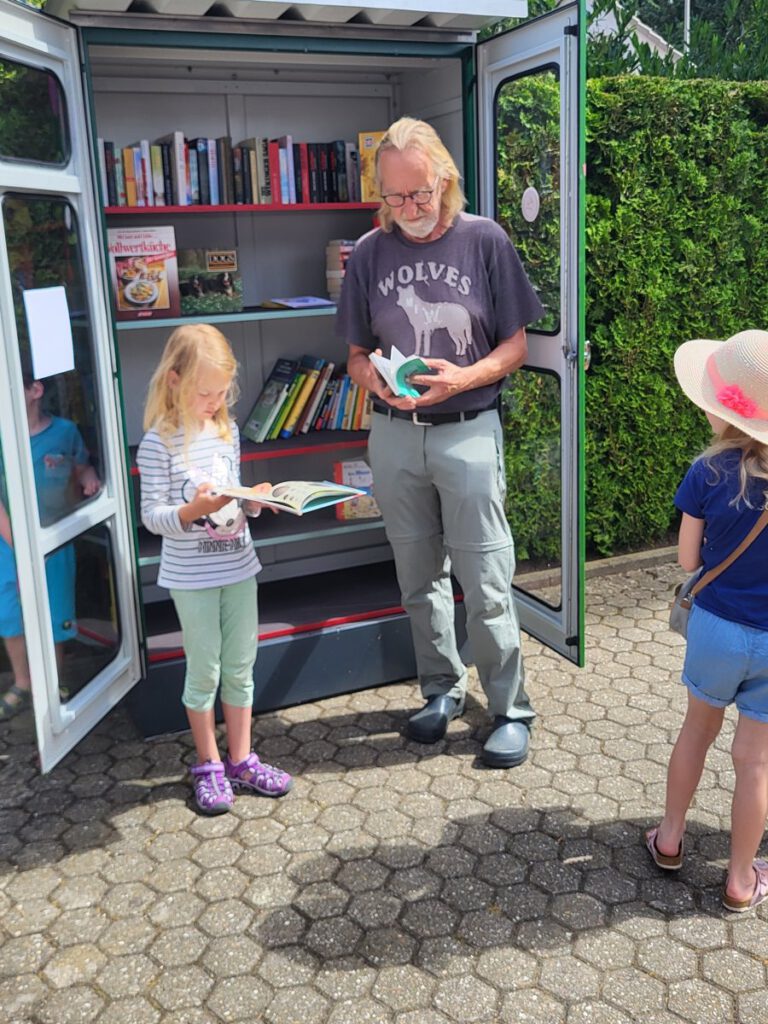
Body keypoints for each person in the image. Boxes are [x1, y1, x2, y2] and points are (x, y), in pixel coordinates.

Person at [336, 117, 545, 768]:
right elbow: (353, 355)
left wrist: (467, 375)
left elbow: (516, 345)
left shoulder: (484, 240)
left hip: (468, 432)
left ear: (444, 180)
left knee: (485, 579)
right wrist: (374, 380)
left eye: (420, 194)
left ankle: (509, 708)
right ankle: (441, 690)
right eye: (394, 198)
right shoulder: (370, 251)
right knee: (417, 576)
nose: (409, 210)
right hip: (395, 437)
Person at [137, 323, 292, 814]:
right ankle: (208, 764)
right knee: (204, 671)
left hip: (240, 567)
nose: (216, 400)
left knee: (241, 668)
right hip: (192, 579)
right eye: (206, 392)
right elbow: (152, 517)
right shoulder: (158, 443)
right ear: (176, 380)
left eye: (223, 391)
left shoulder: (225, 432)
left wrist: (255, 503)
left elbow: (234, 497)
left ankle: (242, 759)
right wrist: (192, 512)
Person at [646, 328, 768, 912]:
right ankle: (740, 880)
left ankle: (670, 839)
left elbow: (688, 562)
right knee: (756, 761)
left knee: (697, 730)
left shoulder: (707, 474)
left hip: (716, 629)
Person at [0, 374, 100, 720]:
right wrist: (18, 544)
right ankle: (23, 680)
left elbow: (81, 465)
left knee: (56, 611)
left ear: (35, 390)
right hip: (9, 545)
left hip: (56, 540)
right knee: (11, 613)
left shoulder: (64, 431)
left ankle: (53, 680)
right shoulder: (3, 436)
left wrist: (89, 479)